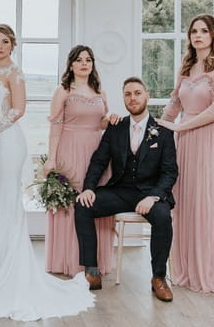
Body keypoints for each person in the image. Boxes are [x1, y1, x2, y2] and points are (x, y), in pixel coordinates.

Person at [0, 24, 95, 321]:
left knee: (6, 199)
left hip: (7, 142)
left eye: (4, 41)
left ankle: (8, 267)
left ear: (12, 45)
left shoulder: (14, 73)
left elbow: (19, 109)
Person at [157, 14, 214, 294]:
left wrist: (180, 125)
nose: (198, 35)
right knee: (187, 202)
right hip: (185, 143)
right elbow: (173, 106)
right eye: (193, 31)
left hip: (210, 140)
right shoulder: (186, 67)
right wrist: (153, 130)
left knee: (209, 202)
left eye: (204, 31)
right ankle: (188, 269)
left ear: (213, 36)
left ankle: (212, 270)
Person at [74, 76, 178, 302]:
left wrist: (154, 196)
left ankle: (159, 277)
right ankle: (91, 271)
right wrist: (89, 188)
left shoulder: (163, 131)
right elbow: (99, 161)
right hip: (121, 191)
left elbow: (170, 172)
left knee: (163, 218)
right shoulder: (116, 128)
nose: (133, 98)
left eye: (137, 93)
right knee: (82, 204)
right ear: (123, 98)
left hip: (150, 193)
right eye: (128, 94)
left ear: (147, 96)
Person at [44, 45, 115, 277]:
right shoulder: (63, 91)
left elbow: (101, 123)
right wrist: (52, 158)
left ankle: (95, 262)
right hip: (70, 149)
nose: (84, 63)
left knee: (95, 200)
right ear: (71, 64)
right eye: (79, 59)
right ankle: (67, 260)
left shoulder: (100, 92)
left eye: (88, 60)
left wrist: (110, 120)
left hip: (97, 151)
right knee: (72, 204)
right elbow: (55, 127)